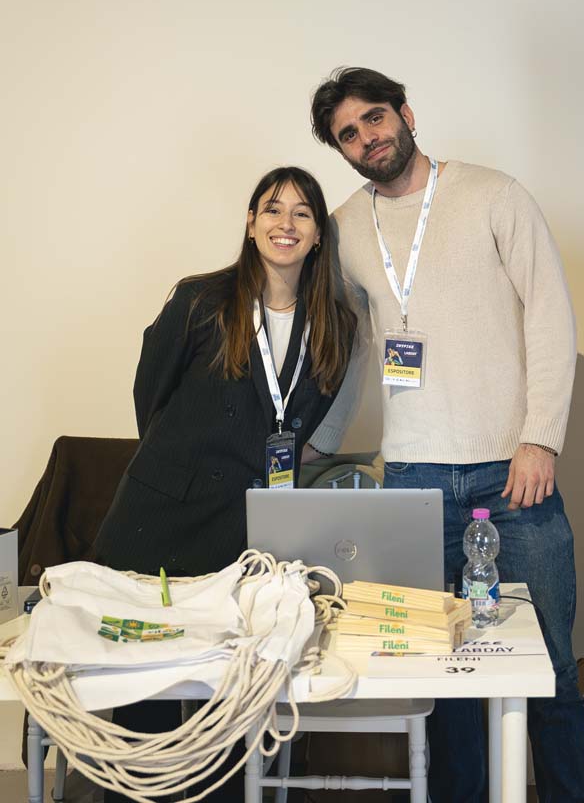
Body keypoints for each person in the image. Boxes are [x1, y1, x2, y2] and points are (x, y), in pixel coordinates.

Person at [309, 67, 584, 803]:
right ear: (341, 150)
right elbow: (352, 348)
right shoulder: (343, 229)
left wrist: (541, 438)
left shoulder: (494, 195)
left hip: (513, 473)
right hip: (412, 481)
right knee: (446, 680)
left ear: (405, 113)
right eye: (348, 134)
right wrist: (321, 441)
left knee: (550, 673)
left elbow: (550, 315)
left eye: (375, 118)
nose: (368, 138)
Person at [93, 165, 355, 803]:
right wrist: (183, 465)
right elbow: (150, 398)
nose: (285, 224)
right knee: (147, 694)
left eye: (301, 213)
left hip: (248, 531)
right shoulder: (200, 300)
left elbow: (305, 418)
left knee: (233, 695)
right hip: (162, 520)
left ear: (318, 234)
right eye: (272, 209)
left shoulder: (335, 324)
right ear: (250, 222)